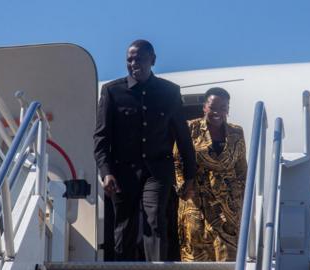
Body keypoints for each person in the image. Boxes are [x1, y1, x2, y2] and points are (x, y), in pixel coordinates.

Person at [94, 39, 196, 261]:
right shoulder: (112, 91)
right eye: (129, 59)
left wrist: (189, 177)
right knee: (124, 226)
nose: (133, 63)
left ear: (153, 60)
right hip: (122, 172)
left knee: (155, 218)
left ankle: (156, 266)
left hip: (157, 170)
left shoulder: (169, 92)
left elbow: (183, 137)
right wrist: (106, 171)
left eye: (138, 58)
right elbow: (101, 137)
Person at [174, 87, 247, 261]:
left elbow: (241, 168)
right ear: (204, 107)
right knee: (196, 254)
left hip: (228, 205)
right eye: (213, 107)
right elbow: (177, 161)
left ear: (228, 109)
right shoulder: (190, 128)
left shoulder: (237, 132)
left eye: (223, 108)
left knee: (228, 256)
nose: (217, 112)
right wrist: (183, 186)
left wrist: (242, 198)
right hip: (196, 201)